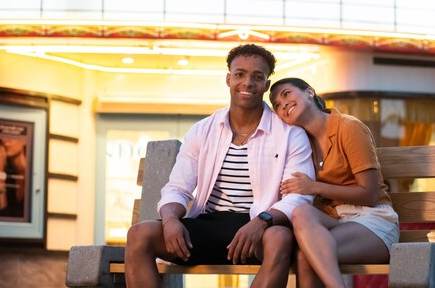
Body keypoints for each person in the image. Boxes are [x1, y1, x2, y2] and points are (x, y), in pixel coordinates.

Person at [124, 45, 316, 288]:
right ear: (228, 79)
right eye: (240, 74)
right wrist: (171, 219)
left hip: (259, 227)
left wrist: (261, 221)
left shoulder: (290, 135)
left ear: (266, 85)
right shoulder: (203, 130)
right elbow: (178, 188)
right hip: (208, 225)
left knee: (279, 238)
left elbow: (297, 198)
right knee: (139, 235)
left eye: (257, 77)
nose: (247, 83)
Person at [269, 78, 400, 288]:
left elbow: (370, 193)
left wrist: (315, 187)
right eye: (276, 105)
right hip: (334, 221)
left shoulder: (348, 127)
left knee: (306, 257)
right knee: (301, 212)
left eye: (286, 94)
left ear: (310, 92)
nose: (282, 104)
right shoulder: (299, 142)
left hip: (372, 219)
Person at [0, 138, 27, 218]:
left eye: (10, 137)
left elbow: (5, 215)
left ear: (24, 141)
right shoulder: (9, 175)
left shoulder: (32, 174)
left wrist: (0, 173)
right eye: (3, 138)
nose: (5, 142)